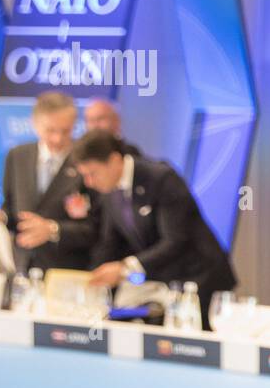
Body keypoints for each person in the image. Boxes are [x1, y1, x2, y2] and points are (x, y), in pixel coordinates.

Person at [71, 129, 237, 331]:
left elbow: (176, 240)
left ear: (114, 160)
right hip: (163, 284)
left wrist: (124, 268)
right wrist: (91, 278)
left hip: (199, 279)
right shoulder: (109, 192)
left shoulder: (160, 178)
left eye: (92, 173)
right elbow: (109, 243)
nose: (89, 182)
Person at [0, 91, 98, 273]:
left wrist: (53, 229)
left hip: (66, 271)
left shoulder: (87, 162)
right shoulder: (17, 156)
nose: (58, 139)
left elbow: (97, 227)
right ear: (34, 125)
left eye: (66, 131)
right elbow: (12, 210)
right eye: (50, 130)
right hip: (21, 266)